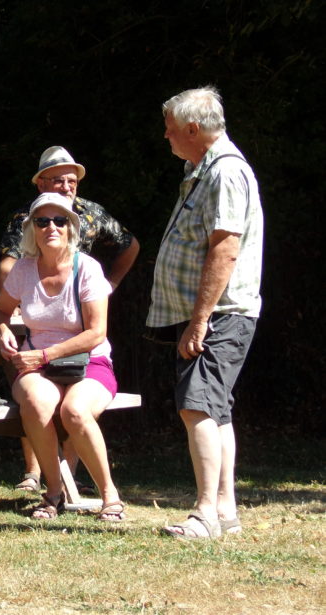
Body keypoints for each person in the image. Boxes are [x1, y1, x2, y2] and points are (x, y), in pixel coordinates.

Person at [150, 87, 262, 539]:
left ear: (193, 129)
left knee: (196, 407)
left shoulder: (226, 173)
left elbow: (225, 248)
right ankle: (224, 510)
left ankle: (205, 515)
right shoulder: (202, 170)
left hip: (221, 313)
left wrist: (200, 320)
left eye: (171, 129)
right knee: (216, 410)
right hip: (214, 313)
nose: (166, 136)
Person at [0, 145, 139, 493]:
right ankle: (47, 484)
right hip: (41, 346)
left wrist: (108, 287)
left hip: (82, 347)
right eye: (57, 180)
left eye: (71, 180)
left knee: (74, 409)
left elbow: (129, 245)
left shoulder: (91, 224)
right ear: (40, 183)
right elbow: (6, 272)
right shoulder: (24, 226)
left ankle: (96, 489)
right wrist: (11, 312)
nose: (66, 187)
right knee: (38, 399)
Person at [0, 192, 125, 522]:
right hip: (38, 364)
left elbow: (96, 333)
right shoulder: (22, 270)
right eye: (42, 221)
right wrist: (3, 330)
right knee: (36, 405)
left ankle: (110, 496)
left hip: (89, 361)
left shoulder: (88, 269)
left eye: (60, 220)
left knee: (75, 411)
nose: (51, 227)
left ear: (71, 227)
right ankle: (53, 493)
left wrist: (44, 354)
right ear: (32, 229)